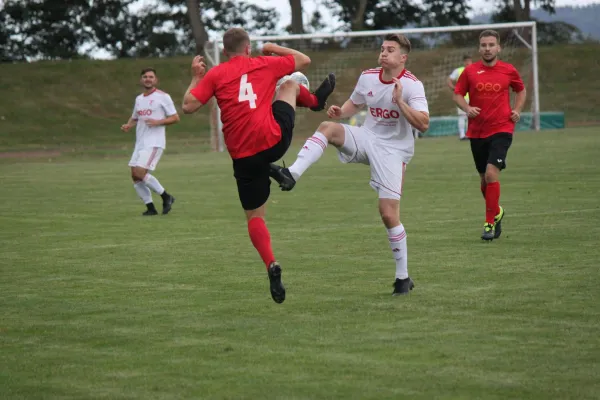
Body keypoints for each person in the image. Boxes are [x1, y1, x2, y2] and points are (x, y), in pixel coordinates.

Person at [181, 27, 335, 304]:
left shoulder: (216, 74)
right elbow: (304, 60)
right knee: (288, 85)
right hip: (273, 141)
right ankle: (315, 102)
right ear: (248, 48)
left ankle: (271, 264)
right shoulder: (263, 63)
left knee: (255, 218)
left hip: (243, 156)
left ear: (225, 52)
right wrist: (273, 48)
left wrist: (196, 77)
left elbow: (188, 106)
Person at [269, 33, 429, 296]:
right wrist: (340, 112)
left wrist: (399, 101)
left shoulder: (412, 86)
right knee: (328, 127)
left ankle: (403, 277)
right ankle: (292, 174)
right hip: (367, 138)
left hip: (394, 151)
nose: (384, 53)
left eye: (391, 50)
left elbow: (423, 123)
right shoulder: (368, 76)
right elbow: (355, 104)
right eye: (383, 48)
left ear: (403, 58)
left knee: (388, 214)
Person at [452, 29, 526, 241]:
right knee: (484, 180)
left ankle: (489, 223)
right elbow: (457, 94)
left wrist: (517, 110)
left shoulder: (508, 70)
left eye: (491, 45)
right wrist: (467, 108)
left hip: (502, 128)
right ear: (479, 48)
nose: (487, 48)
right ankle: (497, 211)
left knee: (492, 174)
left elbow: (521, 90)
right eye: (484, 45)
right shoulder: (470, 71)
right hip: (477, 131)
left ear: (498, 47)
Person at [121, 68, 179, 216]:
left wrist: (158, 122)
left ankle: (166, 196)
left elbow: (175, 117)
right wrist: (128, 125)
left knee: (140, 172)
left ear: (156, 80)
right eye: (145, 77)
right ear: (141, 80)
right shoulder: (139, 99)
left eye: (151, 77)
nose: (148, 79)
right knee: (135, 175)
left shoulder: (163, 97)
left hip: (154, 142)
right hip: (140, 142)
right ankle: (150, 208)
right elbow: (135, 117)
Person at [447, 55, 473, 140]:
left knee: (472, 115)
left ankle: (470, 134)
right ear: (464, 62)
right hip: (462, 96)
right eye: (467, 61)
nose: (468, 62)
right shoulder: (458, 70)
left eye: (470, 61)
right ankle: (462, 135)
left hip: (473, 96)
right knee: (462, 116)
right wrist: (453, 88)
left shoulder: (475, 70)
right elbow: (449, 80)